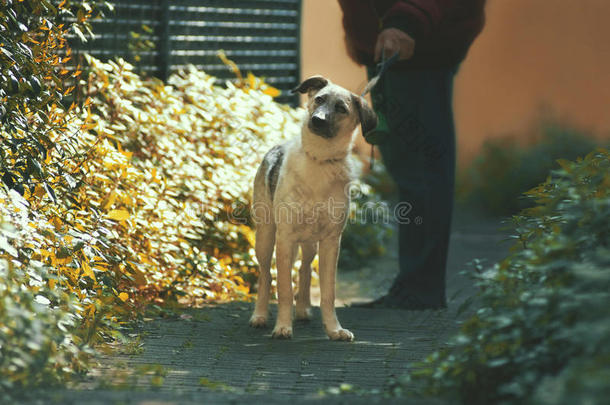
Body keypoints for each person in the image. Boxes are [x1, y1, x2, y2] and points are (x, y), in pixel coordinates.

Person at [338, 0, 486, 309]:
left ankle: (420, 290)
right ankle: (414, 285)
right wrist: (359, 33)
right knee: (408, 168)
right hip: (394, 46)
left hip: (416, 44)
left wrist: (405, 22)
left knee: (422, 170)